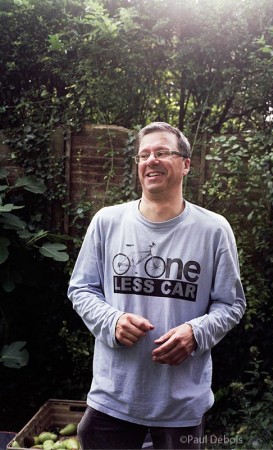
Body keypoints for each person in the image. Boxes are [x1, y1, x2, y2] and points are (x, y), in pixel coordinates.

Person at [67, 122, 246, 449]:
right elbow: (81, 289)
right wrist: (112, 320)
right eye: (144, 155)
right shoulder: (107, 222)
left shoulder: (214, 230)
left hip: (181, 407)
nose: (151, 160)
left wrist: (196, 332)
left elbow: (231, 304)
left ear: (186, 164)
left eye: (162, 152)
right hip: (114, 398)